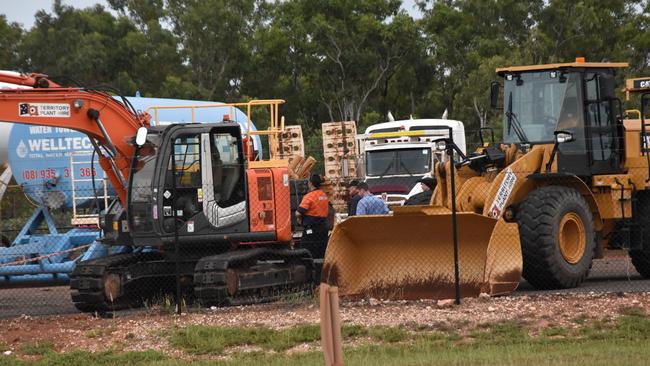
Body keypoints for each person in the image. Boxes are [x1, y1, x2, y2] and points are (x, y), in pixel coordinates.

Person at [296, 174, 330, 258]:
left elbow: (299, 212)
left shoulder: (309, 197)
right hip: (323, 228)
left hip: (311, 229)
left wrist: (299, 219)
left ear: (310, 183)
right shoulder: (324, 196)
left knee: (305, 251)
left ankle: (309, 269)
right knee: (321, 252)